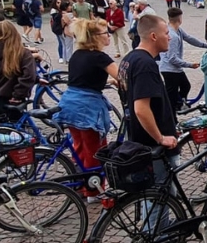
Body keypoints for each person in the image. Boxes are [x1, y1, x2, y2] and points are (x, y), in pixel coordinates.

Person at [55, 19, 117, 179]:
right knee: (95, 150)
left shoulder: (78, 55)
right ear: (95, 37)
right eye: (106, 33)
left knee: (80, 147)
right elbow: (124, 76)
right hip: (86, 108)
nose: (109, 35)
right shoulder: (99, 57)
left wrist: (108, 81)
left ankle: (81, 182)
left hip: (70, 104)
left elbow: (84, 79)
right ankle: (93, 190)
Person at [117, 15, 179, 162]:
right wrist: (160, 137)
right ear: (153, 36)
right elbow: (140, 108)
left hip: (138, 139)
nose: (169, 37)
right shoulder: (145, 64)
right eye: (166, 33)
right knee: (165, 183)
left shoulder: (128, 59)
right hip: (153, 146)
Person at [0, 20, 38, 121]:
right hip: (12, 99)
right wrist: (18, 95)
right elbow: (28, 75)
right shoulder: (22, 53)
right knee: (15, 132)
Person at [158, 8, 207, 114]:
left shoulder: (178, 30)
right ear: (180, 19)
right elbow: (172, 58)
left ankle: (179, 104)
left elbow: (189, 38)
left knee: (185, 85)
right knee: (171, 96)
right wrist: (190, 65)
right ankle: (172, 117)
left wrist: (206, 45)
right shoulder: (172, 36)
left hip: (174, 68)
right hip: (169, 69)